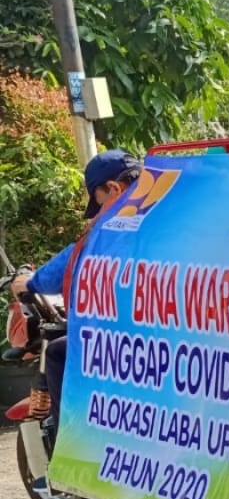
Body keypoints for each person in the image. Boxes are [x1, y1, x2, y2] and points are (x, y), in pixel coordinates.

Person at [11, 149, 142, 447]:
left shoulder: (116, 228)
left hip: (134, 343)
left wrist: (26, 283)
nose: (98, 212)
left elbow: (54, 273)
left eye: (98, 201)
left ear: (114, 189)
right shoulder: (168, 208)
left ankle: (75, 447)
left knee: (58, 351)